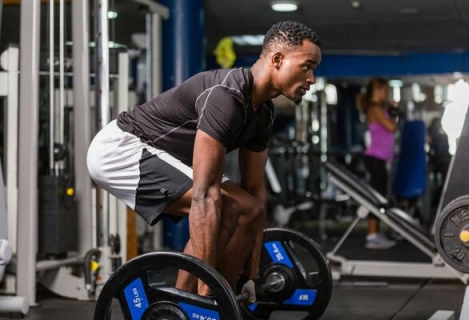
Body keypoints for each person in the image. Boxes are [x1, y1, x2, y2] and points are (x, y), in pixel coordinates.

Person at [87, 20, 322, 297]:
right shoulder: (226, 96)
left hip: (160, 154)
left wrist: (252, 275)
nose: (311, 79)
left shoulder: (264, 114)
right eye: (306, 66)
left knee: (247, 208)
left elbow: (255, 193)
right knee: (224, 205)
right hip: (120, 149)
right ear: (278, 59)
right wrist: (209, 290)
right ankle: (197, 303)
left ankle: (203, 302)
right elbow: (204, 196)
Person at [357, 77, 397, 250]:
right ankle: (372, 235)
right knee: (376, 198)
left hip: (380, 159)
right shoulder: (374, 108)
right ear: (377, 90)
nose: (386, 93)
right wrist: (394, 113)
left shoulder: (379, 108)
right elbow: (391, 127)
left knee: (381, 197)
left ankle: (376, 232)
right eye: (384, 89)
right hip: (375, 159)